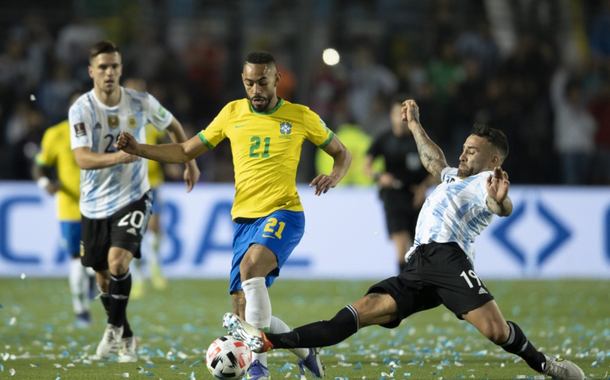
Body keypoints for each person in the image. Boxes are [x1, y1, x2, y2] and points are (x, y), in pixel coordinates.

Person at [221, 99, 585, 380]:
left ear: (492, 160)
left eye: (471, 151)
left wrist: (500, 198)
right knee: (355, 314)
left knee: (496, 331)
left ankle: (547, 365)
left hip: (448, 260)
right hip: (417, 267)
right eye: (464, 147)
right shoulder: (453, 178)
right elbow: (434, 160)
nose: (462, 154)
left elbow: (499, 205)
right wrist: (414, 125)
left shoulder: (484, 182)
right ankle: (268, 341)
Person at [115, 51, 352, 379]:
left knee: (250, 267)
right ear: (243, 81)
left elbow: (342, 153)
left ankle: (258, 367)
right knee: (244, 315)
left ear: (277, 80)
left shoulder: (301, 116)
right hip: (244, 221)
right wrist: (138, 149)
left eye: (263, 82)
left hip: (285, 213)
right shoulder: (231, 113)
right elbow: (186, 151)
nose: (256, 89)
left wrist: (334, 176)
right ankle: (305, 350)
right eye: (250, 83)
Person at [69, 41, 200, 363]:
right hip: (94, 202)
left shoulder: (141, 102)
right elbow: (83, 159)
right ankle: (126, 333)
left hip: (134, 195)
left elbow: (172, 124)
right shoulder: (81, 109)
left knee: (118, 264)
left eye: (114, 66)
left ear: (121, 69)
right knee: (101, 277)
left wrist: (189, 161)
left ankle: (112, 327)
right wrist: (120, 157)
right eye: (102, 67)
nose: (109, 72)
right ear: (92, 72)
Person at [32, 89, 93, 327]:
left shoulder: (101, 135)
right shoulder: (56, 134)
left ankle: (90, 281)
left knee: (98, 260)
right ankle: (81, 310)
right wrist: (44, 182)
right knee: (77, 260)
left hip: (99, 207)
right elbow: (39, 165)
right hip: (70, 208)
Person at [364, 96, 436, 273]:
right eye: (398, 113)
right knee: (400, 242)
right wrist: (379, 175)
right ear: (391, 115)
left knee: (418, 245)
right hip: (393, 195)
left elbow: (436, 170)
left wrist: (423, 188)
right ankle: (403, 279)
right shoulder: (384, 139)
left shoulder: (421, 140)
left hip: (416, 196)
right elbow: (366, 167)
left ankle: (418, 280)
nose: (401, 118)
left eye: (405, 114)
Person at [122, 77, 168, 299]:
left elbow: (166, 142)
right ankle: (138, 278)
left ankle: (155, 264)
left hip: (154, 182)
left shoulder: (153, 118)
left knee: (155, 228)